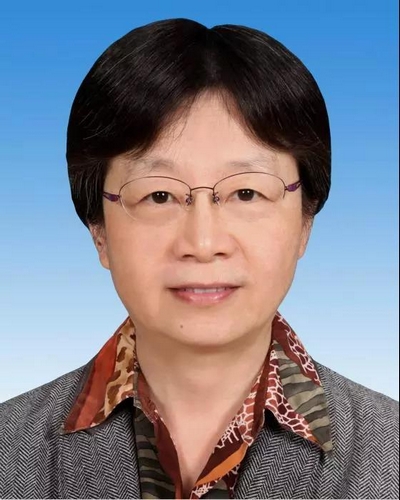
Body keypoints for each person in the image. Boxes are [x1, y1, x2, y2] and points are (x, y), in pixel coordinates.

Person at [0, 18, 398, 500]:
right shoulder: (10, 451)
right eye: (159, 195)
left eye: (246, 193)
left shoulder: (389, 452)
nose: (204, 243)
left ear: (305, 223)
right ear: (98, 231)